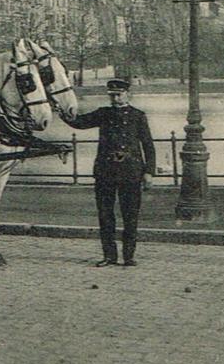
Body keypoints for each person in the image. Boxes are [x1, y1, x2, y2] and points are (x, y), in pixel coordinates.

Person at [63, 78, 155, 267]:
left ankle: (128, 256)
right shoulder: (103, 114)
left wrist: (149, 172)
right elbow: (79, 123)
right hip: (106, 172)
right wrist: (64, 112)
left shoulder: (138, 116)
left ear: (127, 94)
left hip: (131, 172)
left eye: (118, 95)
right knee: (105, 215)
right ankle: (109, 256)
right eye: (112, 95)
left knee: (130, 216)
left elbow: (148, 145)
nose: (114, 98)